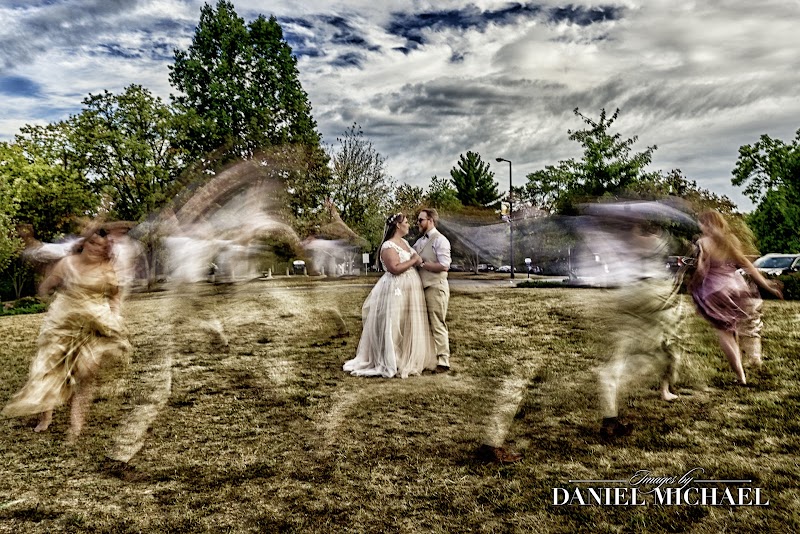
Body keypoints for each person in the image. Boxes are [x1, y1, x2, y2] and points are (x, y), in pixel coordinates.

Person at [3, 227, 131, 441]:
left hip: (93, 323)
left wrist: (115, 315)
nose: (95, 248)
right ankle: (46, 416)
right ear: (84, 243)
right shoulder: (68, 263)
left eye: (100, 246)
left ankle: (76, 421)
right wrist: (46, 290)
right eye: (92, 243)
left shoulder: (107, 269)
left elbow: (115, 296)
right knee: (50, 368)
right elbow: (46, 286)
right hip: (63, 320)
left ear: (104, 249)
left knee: (85, 372)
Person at [597, 220, 684, 438]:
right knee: (664, 346)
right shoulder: (656, 240)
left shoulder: (623, 241)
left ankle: (610, 419)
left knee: (620, 356)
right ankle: (665, 381)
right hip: (651, 293)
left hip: (628, 295)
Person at [690, 210, 782, 385]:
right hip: (737, 288)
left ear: (706, 224)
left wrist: (694, 284)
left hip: (716, 291)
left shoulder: (703, 243)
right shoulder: (731, 240)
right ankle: (745, 361)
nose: (699, 226)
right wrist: (766, 284)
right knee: (733, 328)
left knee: (724, 334)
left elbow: (701, 271)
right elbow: (746, 263)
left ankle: (740, 376)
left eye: (700, 223)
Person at [343, 213, 437, 378]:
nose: (409, 225)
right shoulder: (388, 246)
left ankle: (405, 356)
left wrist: (418, 261)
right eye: (406, 222)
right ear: (398, 225)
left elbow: (413, 258)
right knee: (394, 321)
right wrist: (413, 261)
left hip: (410, 288)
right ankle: (391, 358)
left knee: (406, 322)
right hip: (396, 287)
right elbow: (395, 268)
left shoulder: (405, 243)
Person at [413, 208, 452, 373]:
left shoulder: (440, 240)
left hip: (436, 287)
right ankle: (429, 358)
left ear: (430, 221)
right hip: (422, 288)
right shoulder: (419, 242)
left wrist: (422, 264)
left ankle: (443, 361)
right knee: (424, 325)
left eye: (420, 220)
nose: (418, 223)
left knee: (437, 323)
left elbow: (444, 265)